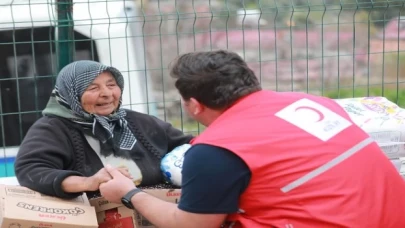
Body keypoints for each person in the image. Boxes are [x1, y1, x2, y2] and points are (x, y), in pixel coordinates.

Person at [99, 50, 405, 228]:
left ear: (194, 105)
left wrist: (128, 193)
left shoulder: (216, 150)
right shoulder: (313, 103)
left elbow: (191, 224)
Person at [14, 60, 193, 199]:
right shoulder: (52, 128)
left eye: (111, 85)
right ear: (71, 94)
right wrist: (89, 182)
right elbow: (31, 171)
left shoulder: (138, 122)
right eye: (93, 88)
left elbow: (191, 145)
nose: (107, 93)